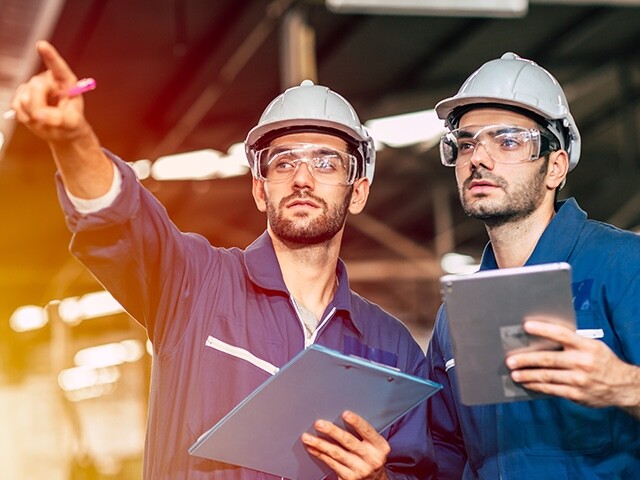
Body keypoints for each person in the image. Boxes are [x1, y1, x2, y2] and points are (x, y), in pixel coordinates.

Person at [12, 41, 436, 479]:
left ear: (359, 192)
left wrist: (377, 478)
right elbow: (125, 221)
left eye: (326, 163)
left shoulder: (393, 349)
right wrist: (74, 141)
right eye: (284, 162)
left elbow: (422, 468)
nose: (303, 179)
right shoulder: (194, 283)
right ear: (259, 189)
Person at [426, 52, 640, 479]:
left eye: (507, 141)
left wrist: (625, 386)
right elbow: (445, 458)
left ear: (555, 167)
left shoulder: (625, 266)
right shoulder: (455, 316)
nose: (478, 159)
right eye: (466, 143)